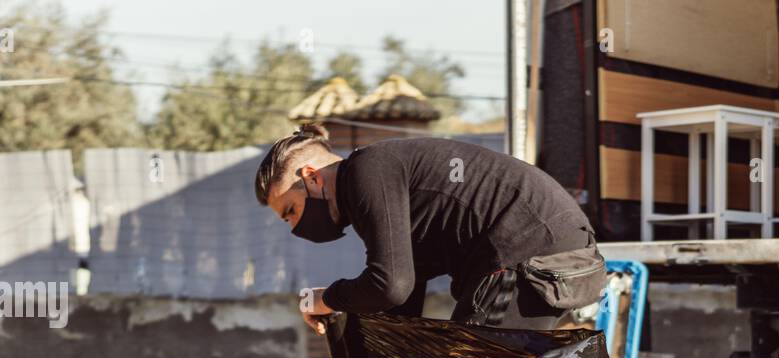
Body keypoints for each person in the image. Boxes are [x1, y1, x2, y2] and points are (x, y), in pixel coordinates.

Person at [254, 123, 607, 333]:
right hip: (546, 249)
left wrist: (324, 298)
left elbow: (390, 285)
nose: (294, 226)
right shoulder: (375, 182)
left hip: (531, 254)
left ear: (312, 178)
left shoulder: (366, 171)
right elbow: (401, 295)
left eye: (290, 211)